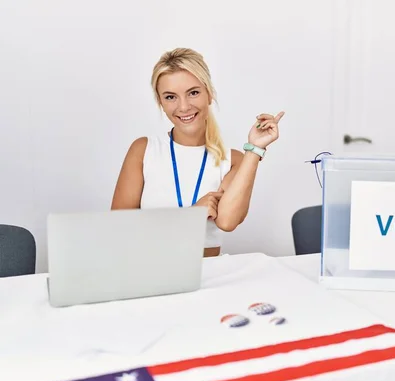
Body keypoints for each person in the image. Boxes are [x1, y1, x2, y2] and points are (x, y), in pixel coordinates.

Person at [111, 47, 285, 257]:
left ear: (209, 94)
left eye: (193, 93)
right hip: (150, 273)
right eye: (170, 97)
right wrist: (191, 216)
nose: (183, 107)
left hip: (209, 276)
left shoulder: (233, 160)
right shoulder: (143, 151)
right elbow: (118, 231)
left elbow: (228, 221)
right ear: (160, 102)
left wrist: (255, 149)